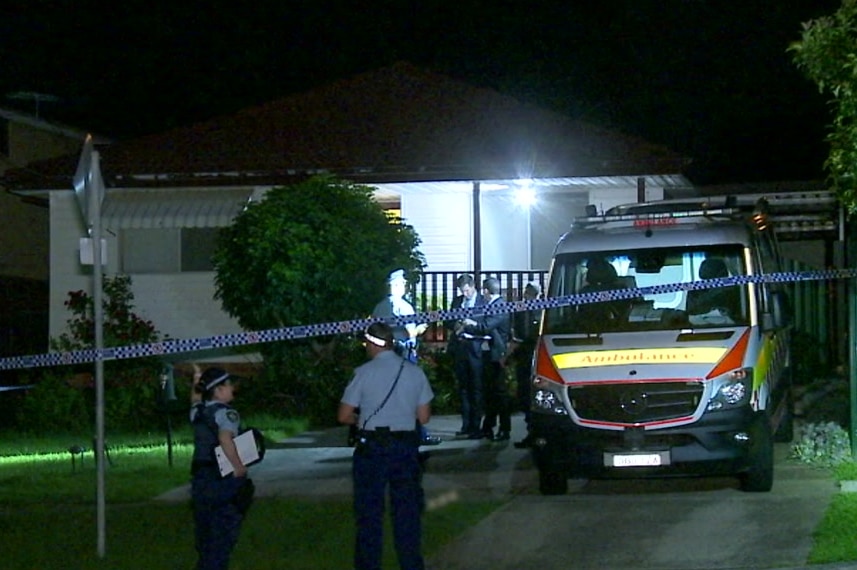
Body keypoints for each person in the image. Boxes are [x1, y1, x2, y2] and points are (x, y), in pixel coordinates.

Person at [338, 322, 433, 570]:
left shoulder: (363, 373)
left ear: (372, 344)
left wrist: (360, 419)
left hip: (372, 448)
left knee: (369, 515)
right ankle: (411, 564)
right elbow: (423, 417)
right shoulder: (414, 372)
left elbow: (343, 414)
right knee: (407, 513)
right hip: (404, 448)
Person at [190, 366, 254, 570]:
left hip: (200, 479)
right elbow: (225, 439)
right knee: (222, 536)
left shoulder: (198, 412)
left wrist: (197, 380)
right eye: (228, 385)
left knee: (206, 536)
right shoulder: (227, 414)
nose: (232, 388)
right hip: (221, 478)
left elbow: (195, 400)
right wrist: (238, 467)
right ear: (218, 390)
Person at [371, 269, 440, 446]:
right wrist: (422, 327)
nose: (405, 287)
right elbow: (411, 333)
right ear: (396, 285)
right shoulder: (404, 306)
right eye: (402, 284)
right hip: (404, 355)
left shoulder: (379, 306)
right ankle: (418, 434)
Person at [460, 277, 511, 441]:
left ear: (486, 291)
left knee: (500, 393)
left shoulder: (499, 306)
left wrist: (468, 323)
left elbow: (485, 327)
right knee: (491, 392)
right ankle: (488, 427)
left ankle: (504, 429)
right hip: (489, 354)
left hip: (497, 355)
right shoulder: (493, 305)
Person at [445, 273, 487, 438]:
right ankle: (466, 424)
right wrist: (455, 325)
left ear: (473, 287)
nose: (465, 294)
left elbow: (485, 325)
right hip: (460, 348)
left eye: (468, 291)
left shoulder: (483, 302)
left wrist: (469, 326)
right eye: (463, 291)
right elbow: (448, 320)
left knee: (476, 388)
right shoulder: (457, 301)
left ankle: (476, 426)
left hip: (475, 349)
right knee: (463, 388)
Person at [509, 282, 541, 448]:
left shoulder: (535, 311)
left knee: (529, 395)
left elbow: (520, 335)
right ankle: (533, 432)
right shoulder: (525, 311)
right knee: (527, 395)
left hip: (530, 356)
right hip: (529, 356)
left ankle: (534, 433)